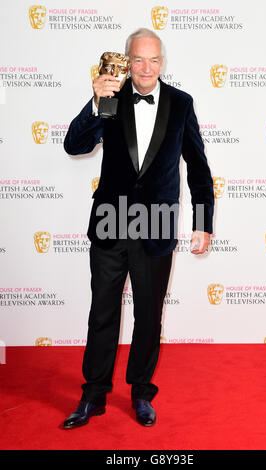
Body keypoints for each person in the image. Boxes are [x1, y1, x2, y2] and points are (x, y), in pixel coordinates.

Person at [63, 28, 214, 429]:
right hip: (110, 224)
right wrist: (96, 101)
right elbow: (74, 146)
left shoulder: (182, 104)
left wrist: (204, 222)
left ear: (162, 62)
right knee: (103, 312)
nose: (146, 68)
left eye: (154, 60)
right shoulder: (109, 98)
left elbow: (198, 167)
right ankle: (93, 394)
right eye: (138, 60)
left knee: (149, 317)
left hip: (157, 226)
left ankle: (141, 393)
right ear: (126, 60)